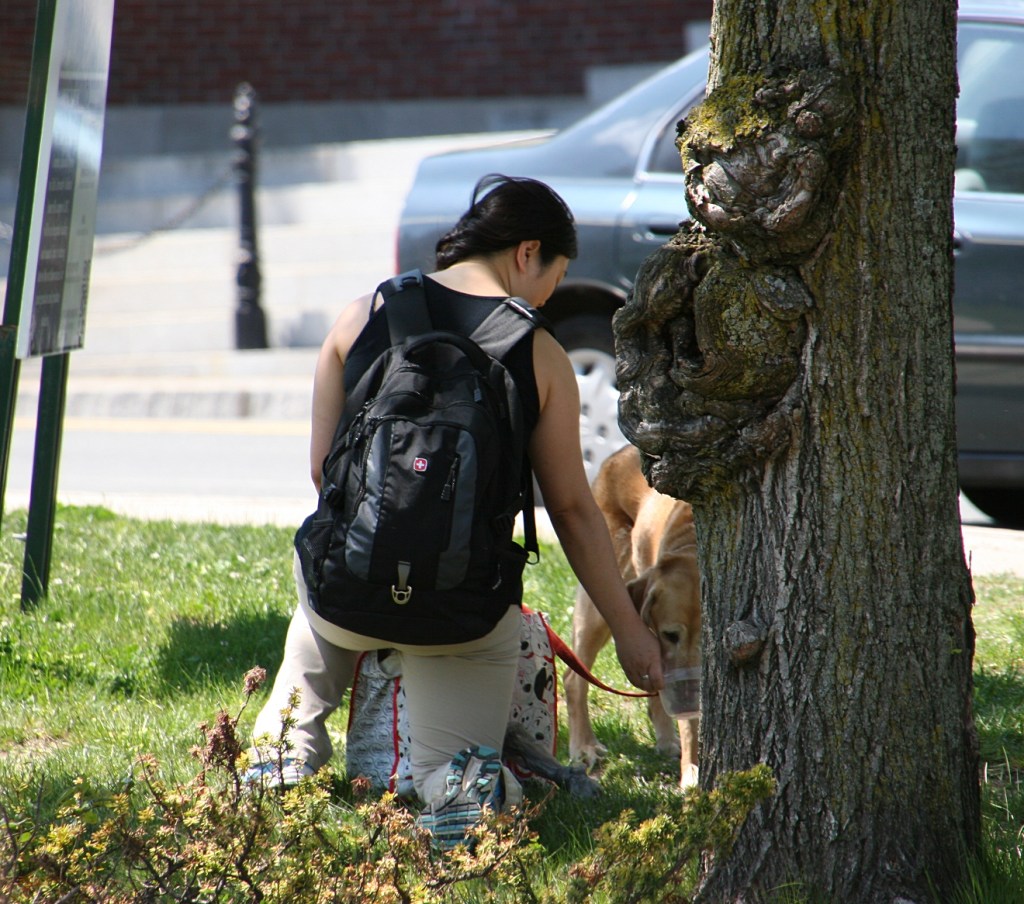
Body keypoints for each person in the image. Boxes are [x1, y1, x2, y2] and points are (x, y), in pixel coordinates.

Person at [245, 173, 664, 845]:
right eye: (556, 275)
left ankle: (275, 768)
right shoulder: (541, 354)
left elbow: (324, 474)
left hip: (344, 596)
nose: (549, 293)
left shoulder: (360, 316)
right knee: (455, 774)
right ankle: (455, 813)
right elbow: (575, 514)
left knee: (316, 612)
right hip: (459, 617)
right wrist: (634, 638)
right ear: (528, 253)